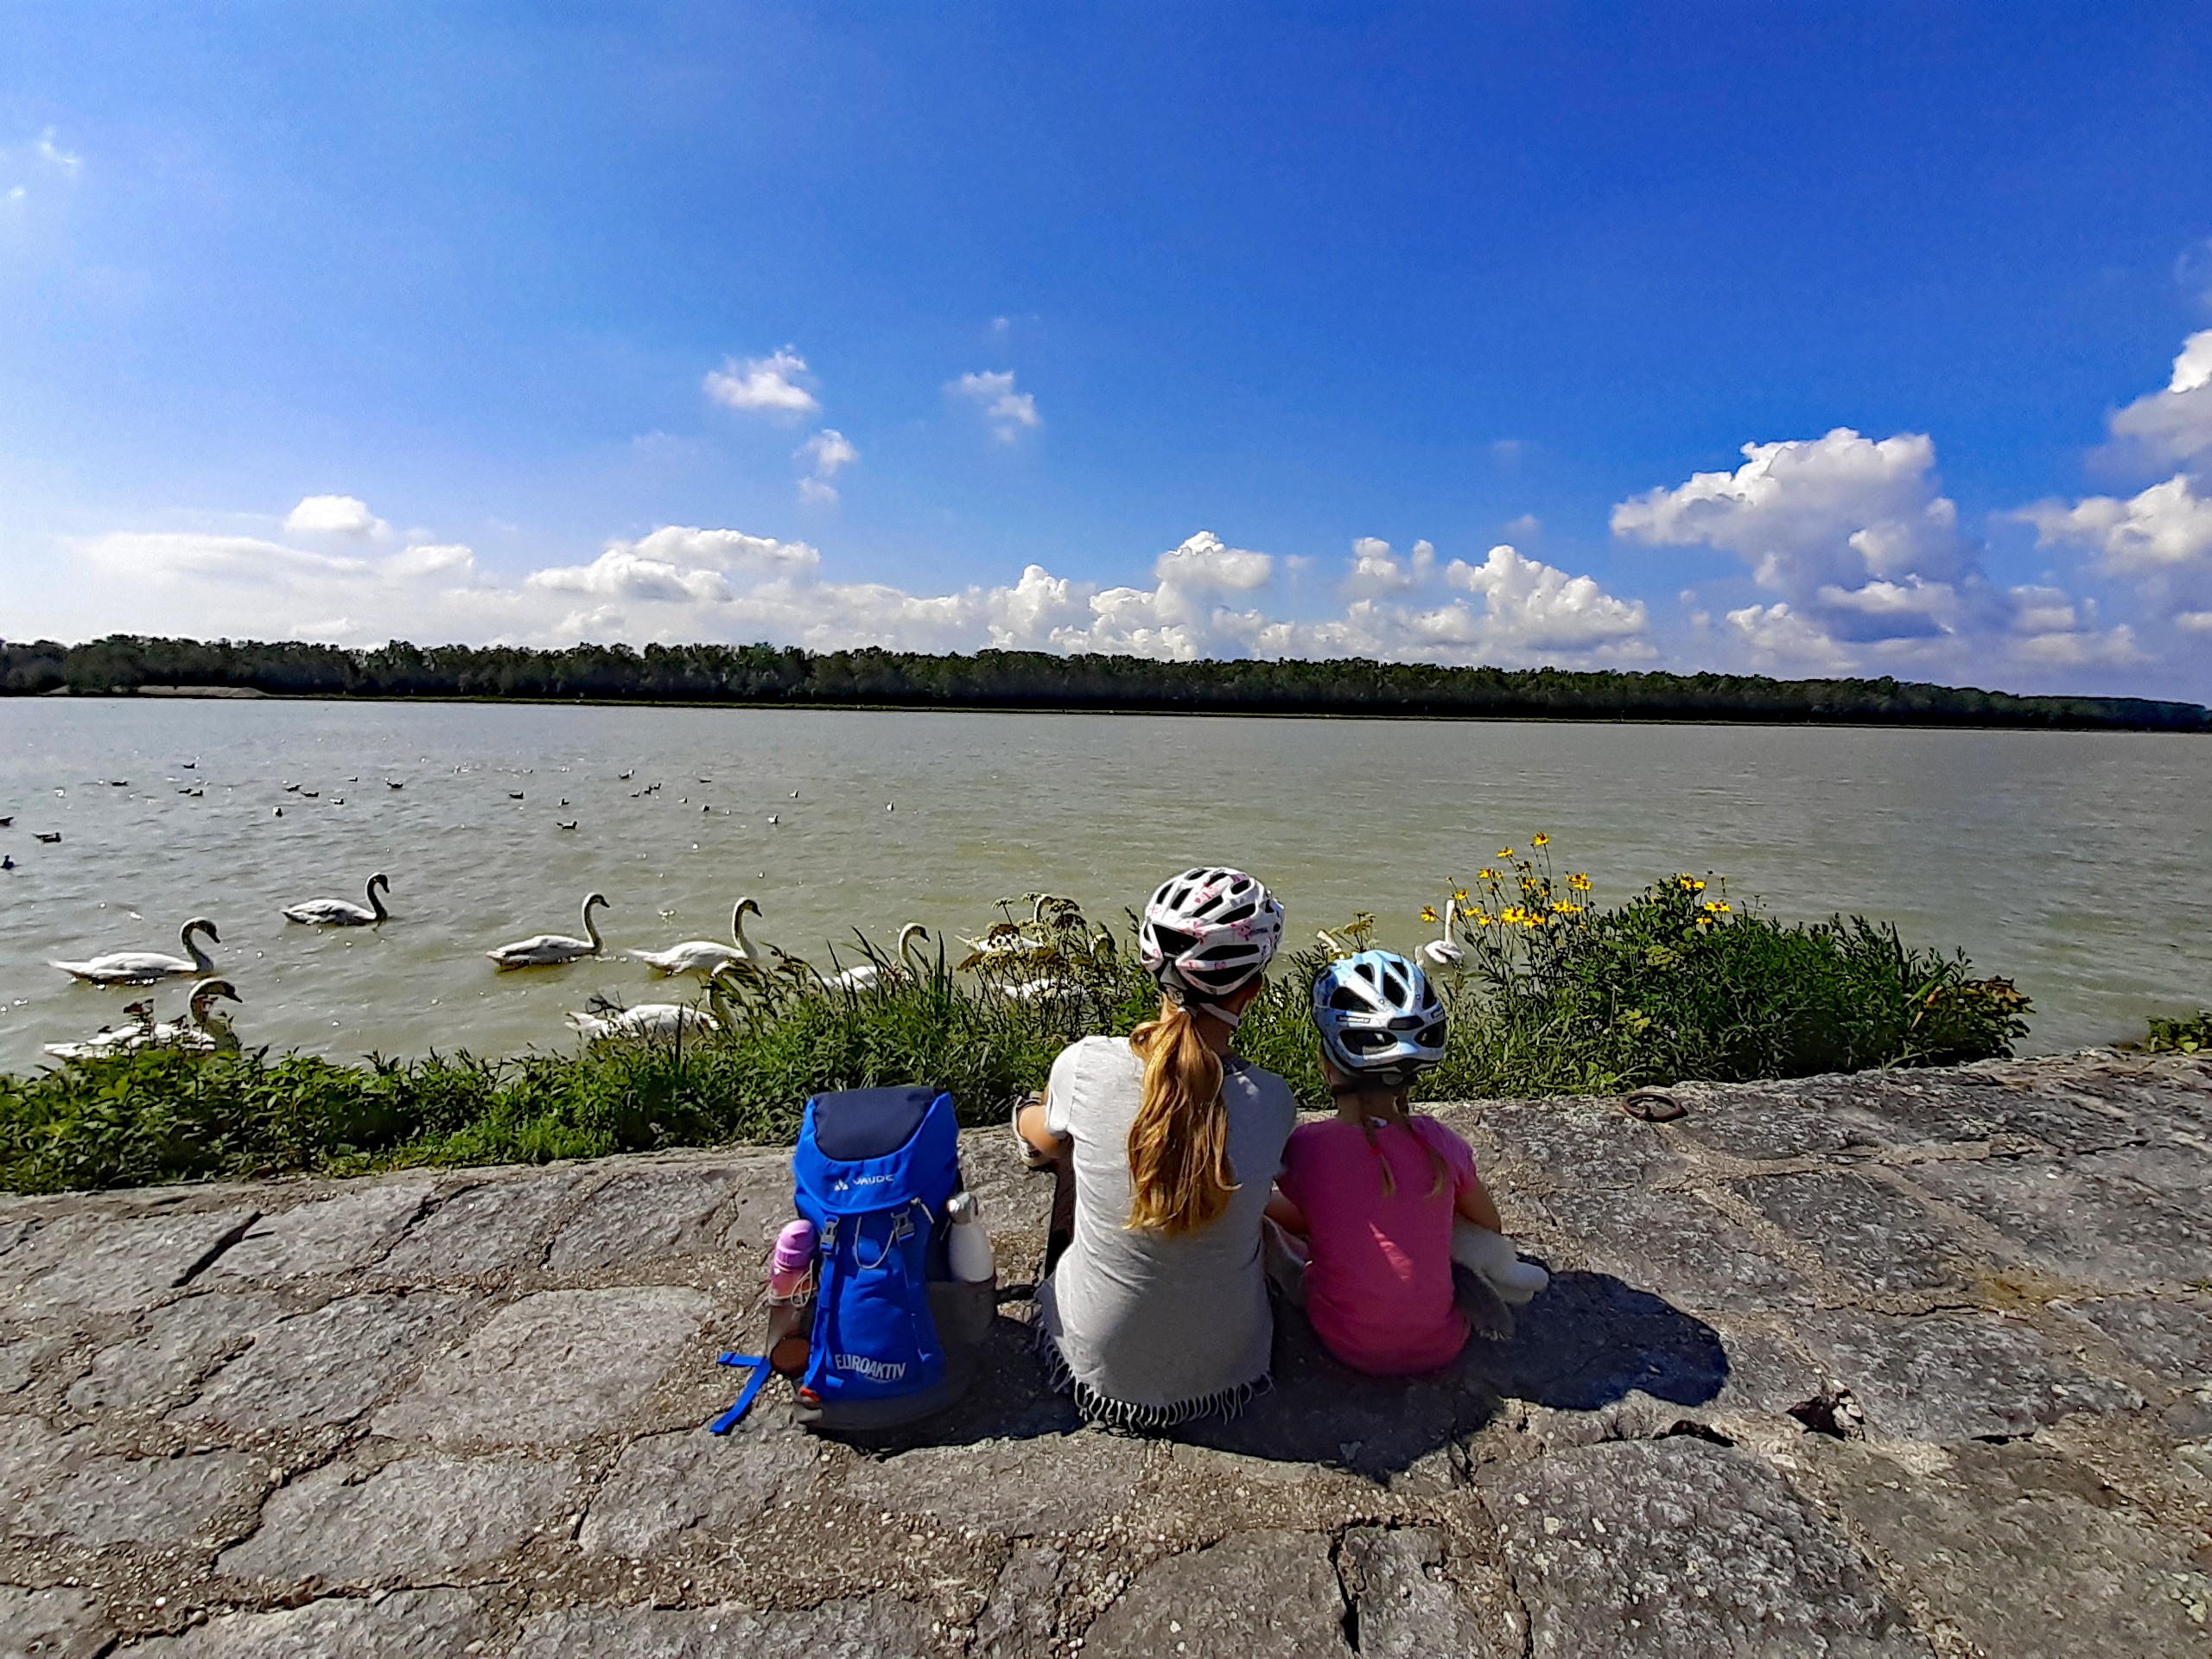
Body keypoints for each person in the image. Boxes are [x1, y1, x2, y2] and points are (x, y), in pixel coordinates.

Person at [1015, 867, 1296, 1428]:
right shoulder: (1272, 1101)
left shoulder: (1086, 1064)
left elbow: (1039, 1136)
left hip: (1097, 1364)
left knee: (1070, 1151)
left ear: (1151, 966)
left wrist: (1024, 1114)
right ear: (1252, 990)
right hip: (1230, 1367)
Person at [1268, 949, 1541, 1376]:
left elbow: (1299, 1216)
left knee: (1277, 1241)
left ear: (1327, 1065)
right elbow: (1490, 1224)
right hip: (1443, 1344)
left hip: (1343, 1342)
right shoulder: (1440, 1144)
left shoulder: (1307, 1147)